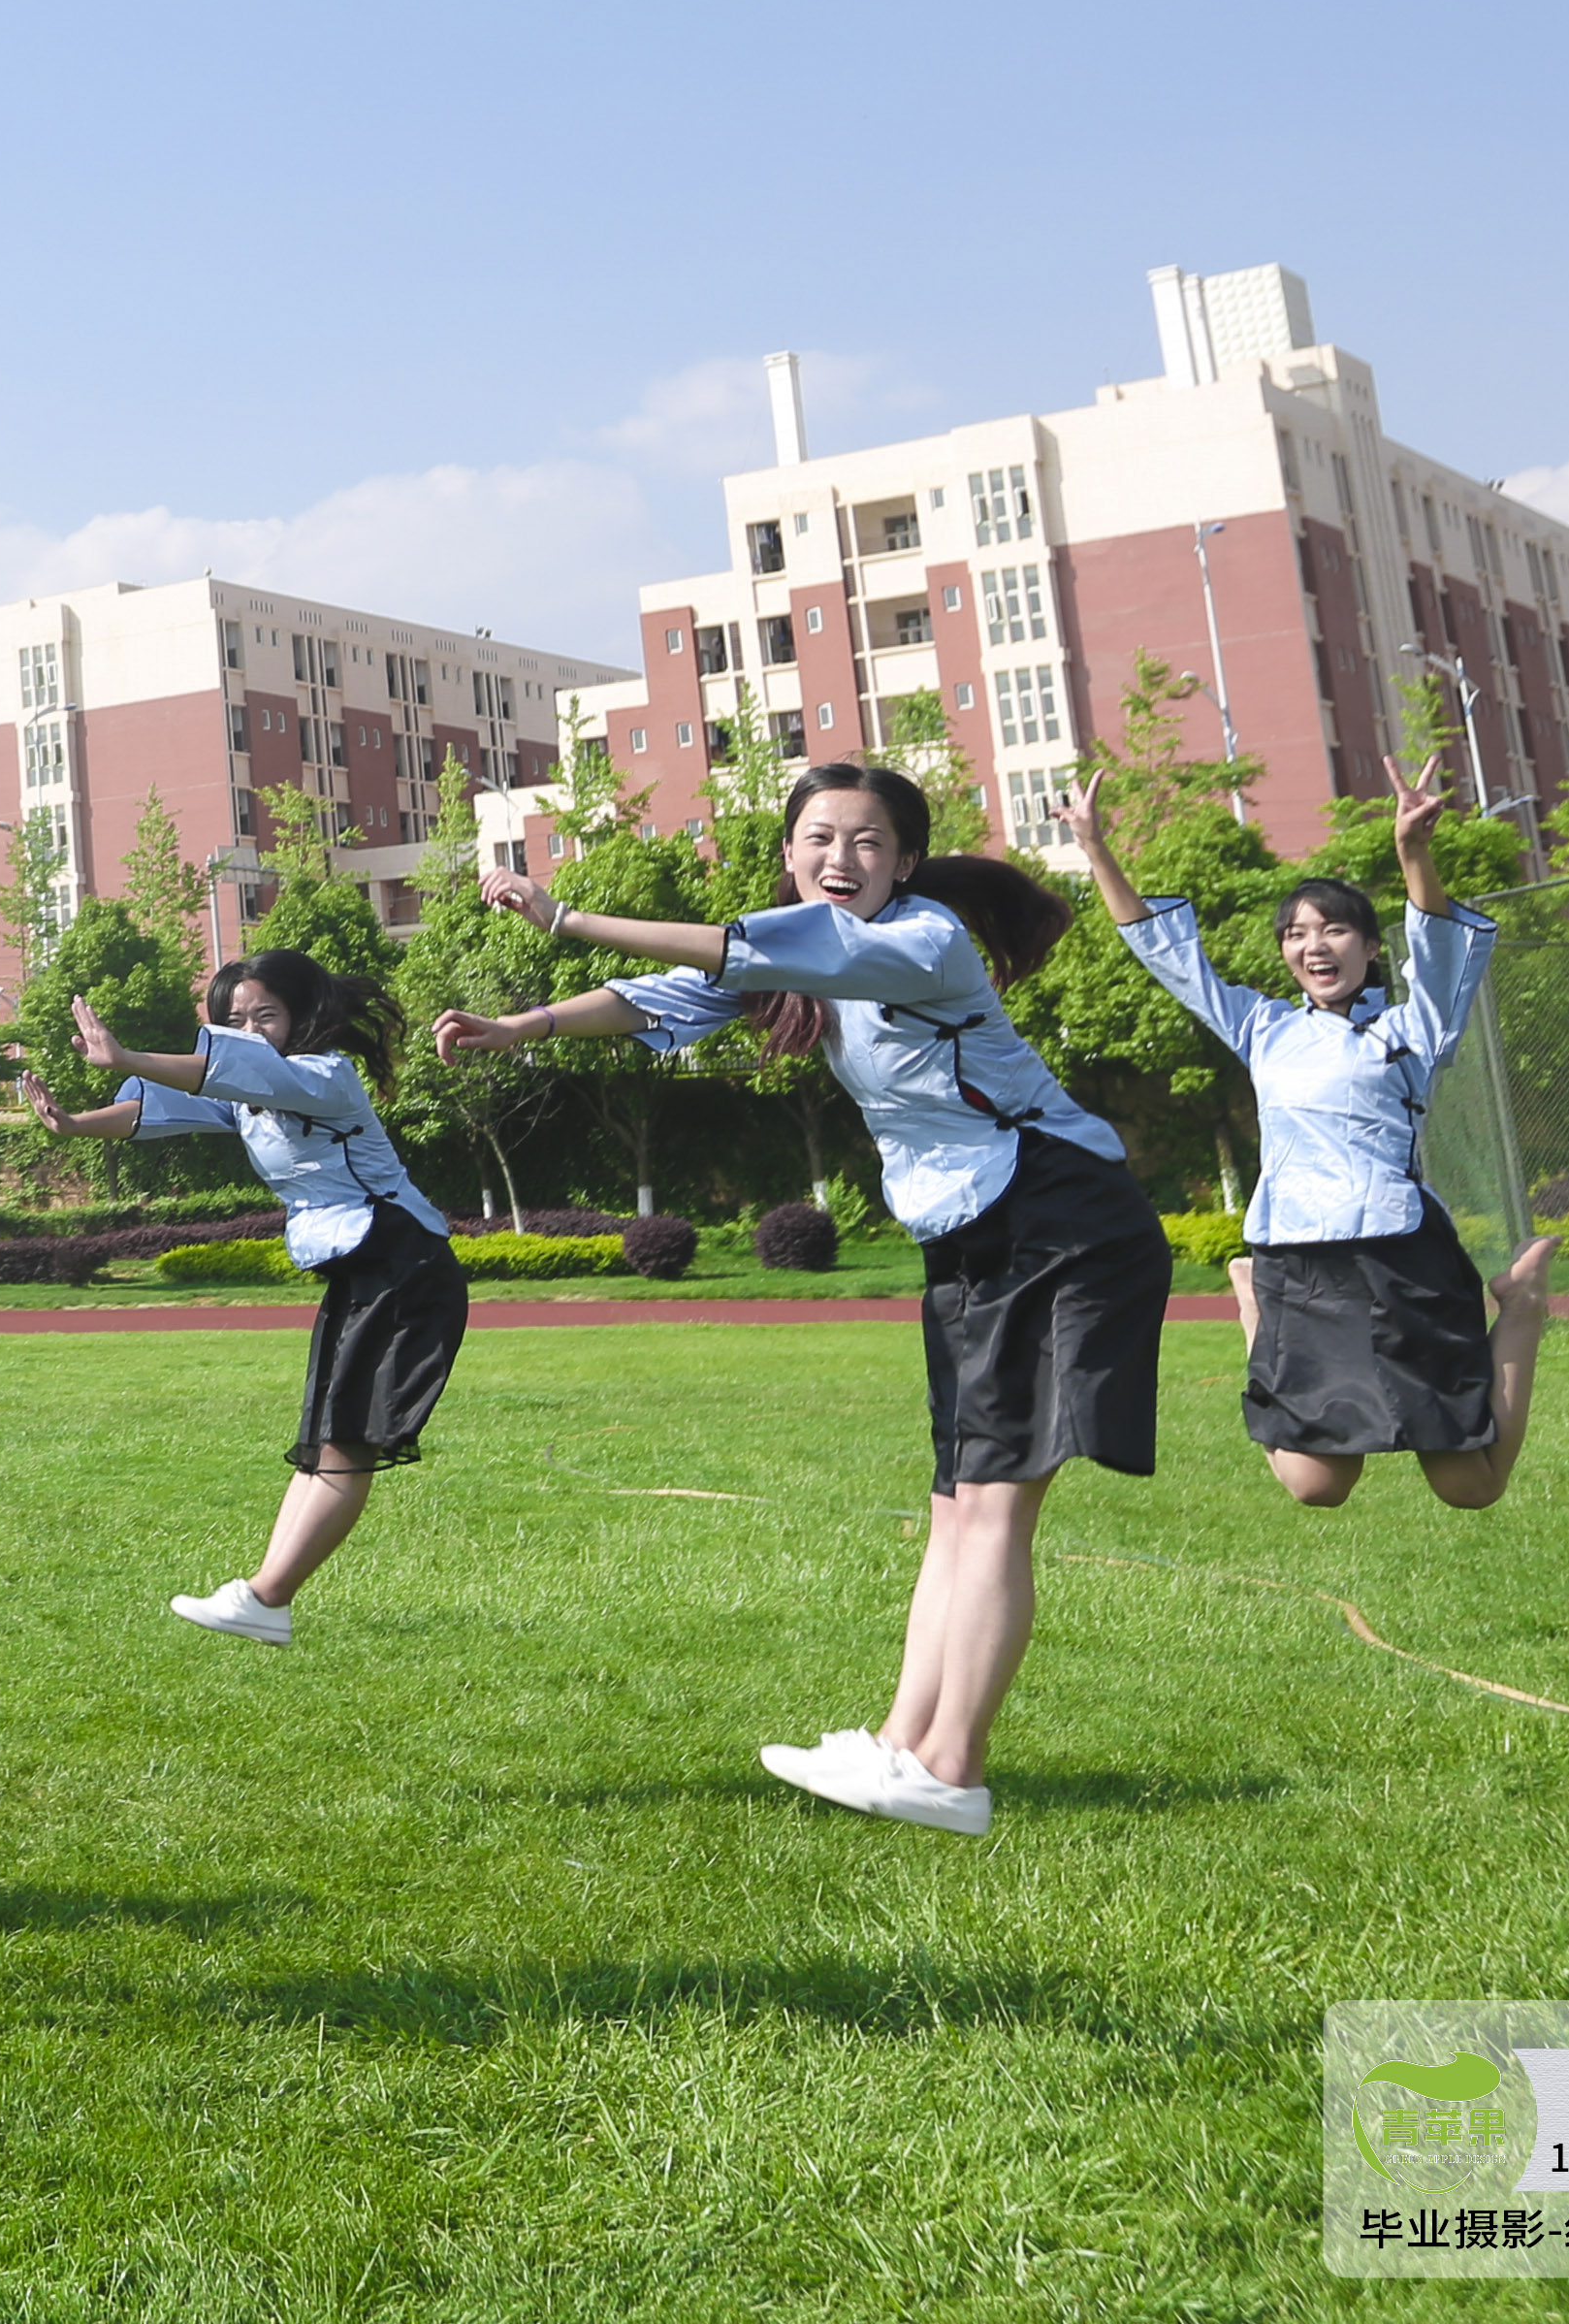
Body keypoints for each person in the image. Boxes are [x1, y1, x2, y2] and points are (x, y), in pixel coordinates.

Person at [433, 761, 1144, 1840]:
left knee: (996, 1503)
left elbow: (727, 949)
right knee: (957, 1502)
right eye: (819, 838)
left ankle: (953, 1769)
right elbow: (664, 999)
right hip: (975, 1231)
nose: (840, 858)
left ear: (907, 863)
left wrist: (564, 915)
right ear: (788, 854)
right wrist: (523, 1027)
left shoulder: (922, 941)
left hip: (1058, 1217)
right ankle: (902, 1745)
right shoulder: (804, 959)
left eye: (867, 842)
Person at [1082, 763, 1552, 1508]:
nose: (1315, 945)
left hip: (1401, 1260)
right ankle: (1251, 1298)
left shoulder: (1412, 1029)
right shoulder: (1262, 1027)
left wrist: (1412, 851)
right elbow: (1170, 958)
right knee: (1315, 1485)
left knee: (1471, 1486)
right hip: (1299, 1264)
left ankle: (1522, 1305)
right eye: (1297, 934)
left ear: (1369, 948)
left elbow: (1437, 951)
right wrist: (1096, 849)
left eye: (1334, 928)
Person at [18, 945, 464, 1645]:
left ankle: (266, 1597)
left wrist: (127, 1055)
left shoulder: (324, 1075)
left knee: (347, 1444)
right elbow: (160, 1109)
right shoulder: (252, 1097)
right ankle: (264, 1598)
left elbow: (226, 1072)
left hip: (403, 1264)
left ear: (302, 1015)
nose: (251, 1031)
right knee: (325, 1442)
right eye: (234, 1021)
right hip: (362, 1271)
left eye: (267, 1015)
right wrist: (75, 1124)